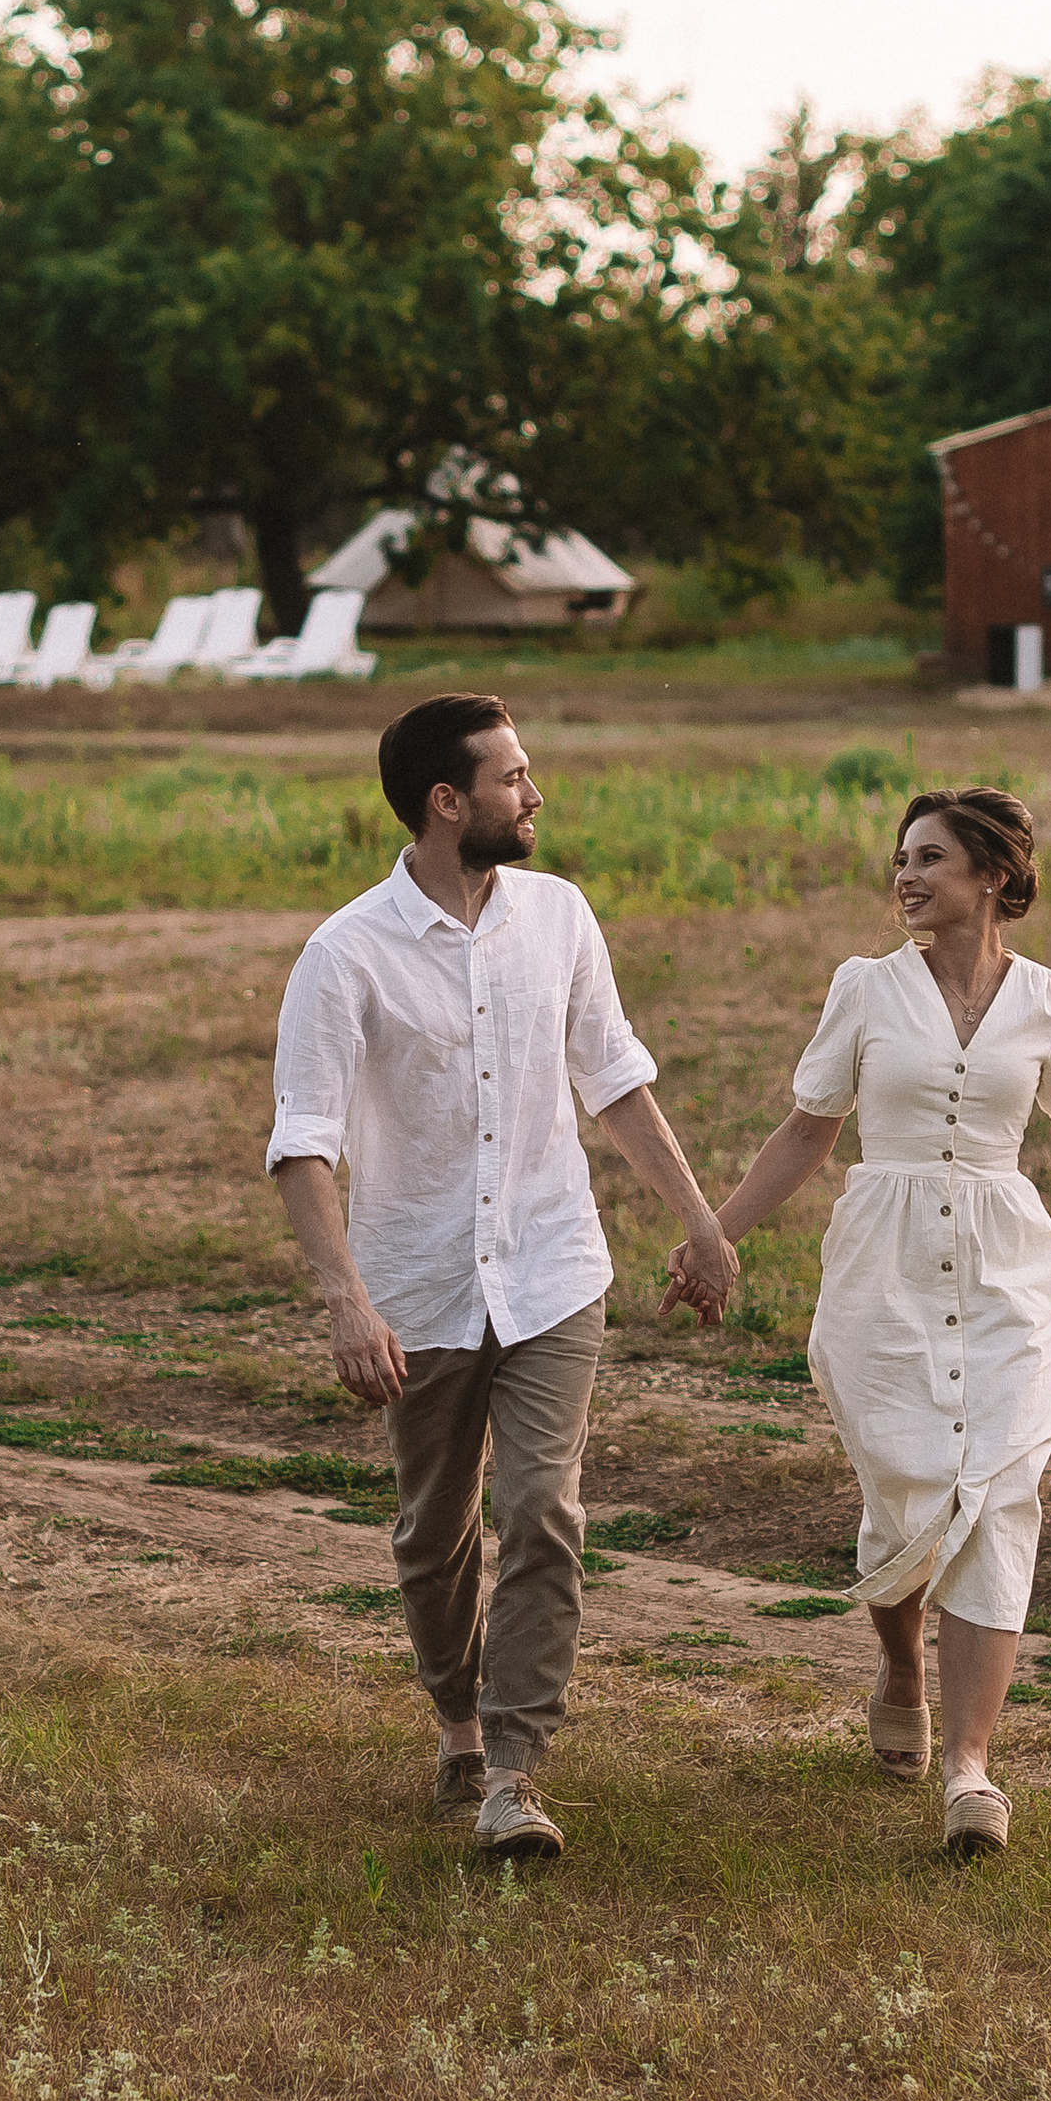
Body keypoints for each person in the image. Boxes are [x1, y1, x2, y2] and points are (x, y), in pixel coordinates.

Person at [268, 693, 736, 1863]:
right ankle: (457, 1723)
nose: (535, 796)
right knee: (436, 1531)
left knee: (542, 1509)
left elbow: (614, 1081)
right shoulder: (344, 955)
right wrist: (346, 1302)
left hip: (551, 1268)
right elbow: (303, 1144)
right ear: (448, 802)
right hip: (418, 1285)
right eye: (514, 778)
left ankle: (514, 1773)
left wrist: (701, 1224)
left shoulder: (561, 917)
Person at [715, 786, 1051, 1859]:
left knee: (999, 1491)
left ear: (992, 878)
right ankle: (896, 1660)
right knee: (904, 1488)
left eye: (929, 858)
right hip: (882, 1263)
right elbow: (808, 1126)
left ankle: (971, 1768)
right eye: (900, 858)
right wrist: (717, 1234)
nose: (905, 876)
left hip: (1004, 1261)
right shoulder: (864, 989)